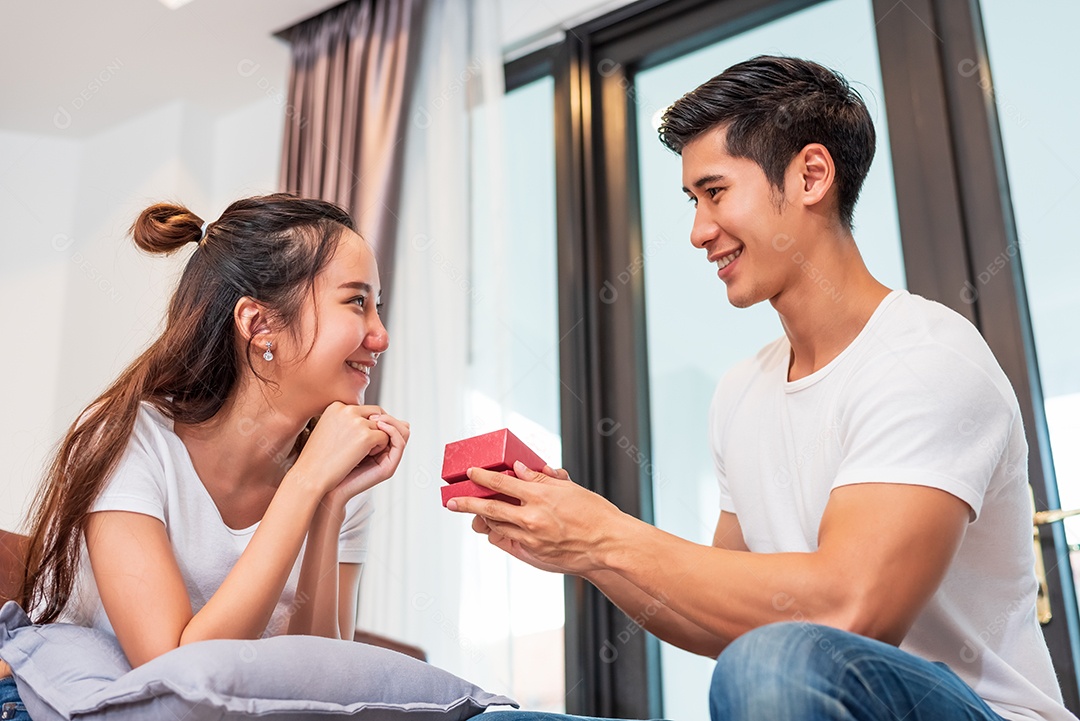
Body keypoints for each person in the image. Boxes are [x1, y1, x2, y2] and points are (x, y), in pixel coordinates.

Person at [449, 56, 1076, 721]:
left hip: (986, 712)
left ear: (811, 176)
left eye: (715, 192)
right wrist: (583, 548)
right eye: (693, 201)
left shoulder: (928, 357)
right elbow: (722, 617)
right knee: (490, 719)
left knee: (772, 661)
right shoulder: (742, 391)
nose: (698, 231)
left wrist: (606, 535)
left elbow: (850, 608)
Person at [0, 194, 409, 717]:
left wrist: (328, 502)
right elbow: (173, 672)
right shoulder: (130, 439)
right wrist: (305, 484)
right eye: (357, 302)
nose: (381, 335)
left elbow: (322, 687)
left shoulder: (336, 475)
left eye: (379, 307)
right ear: (260, 325)